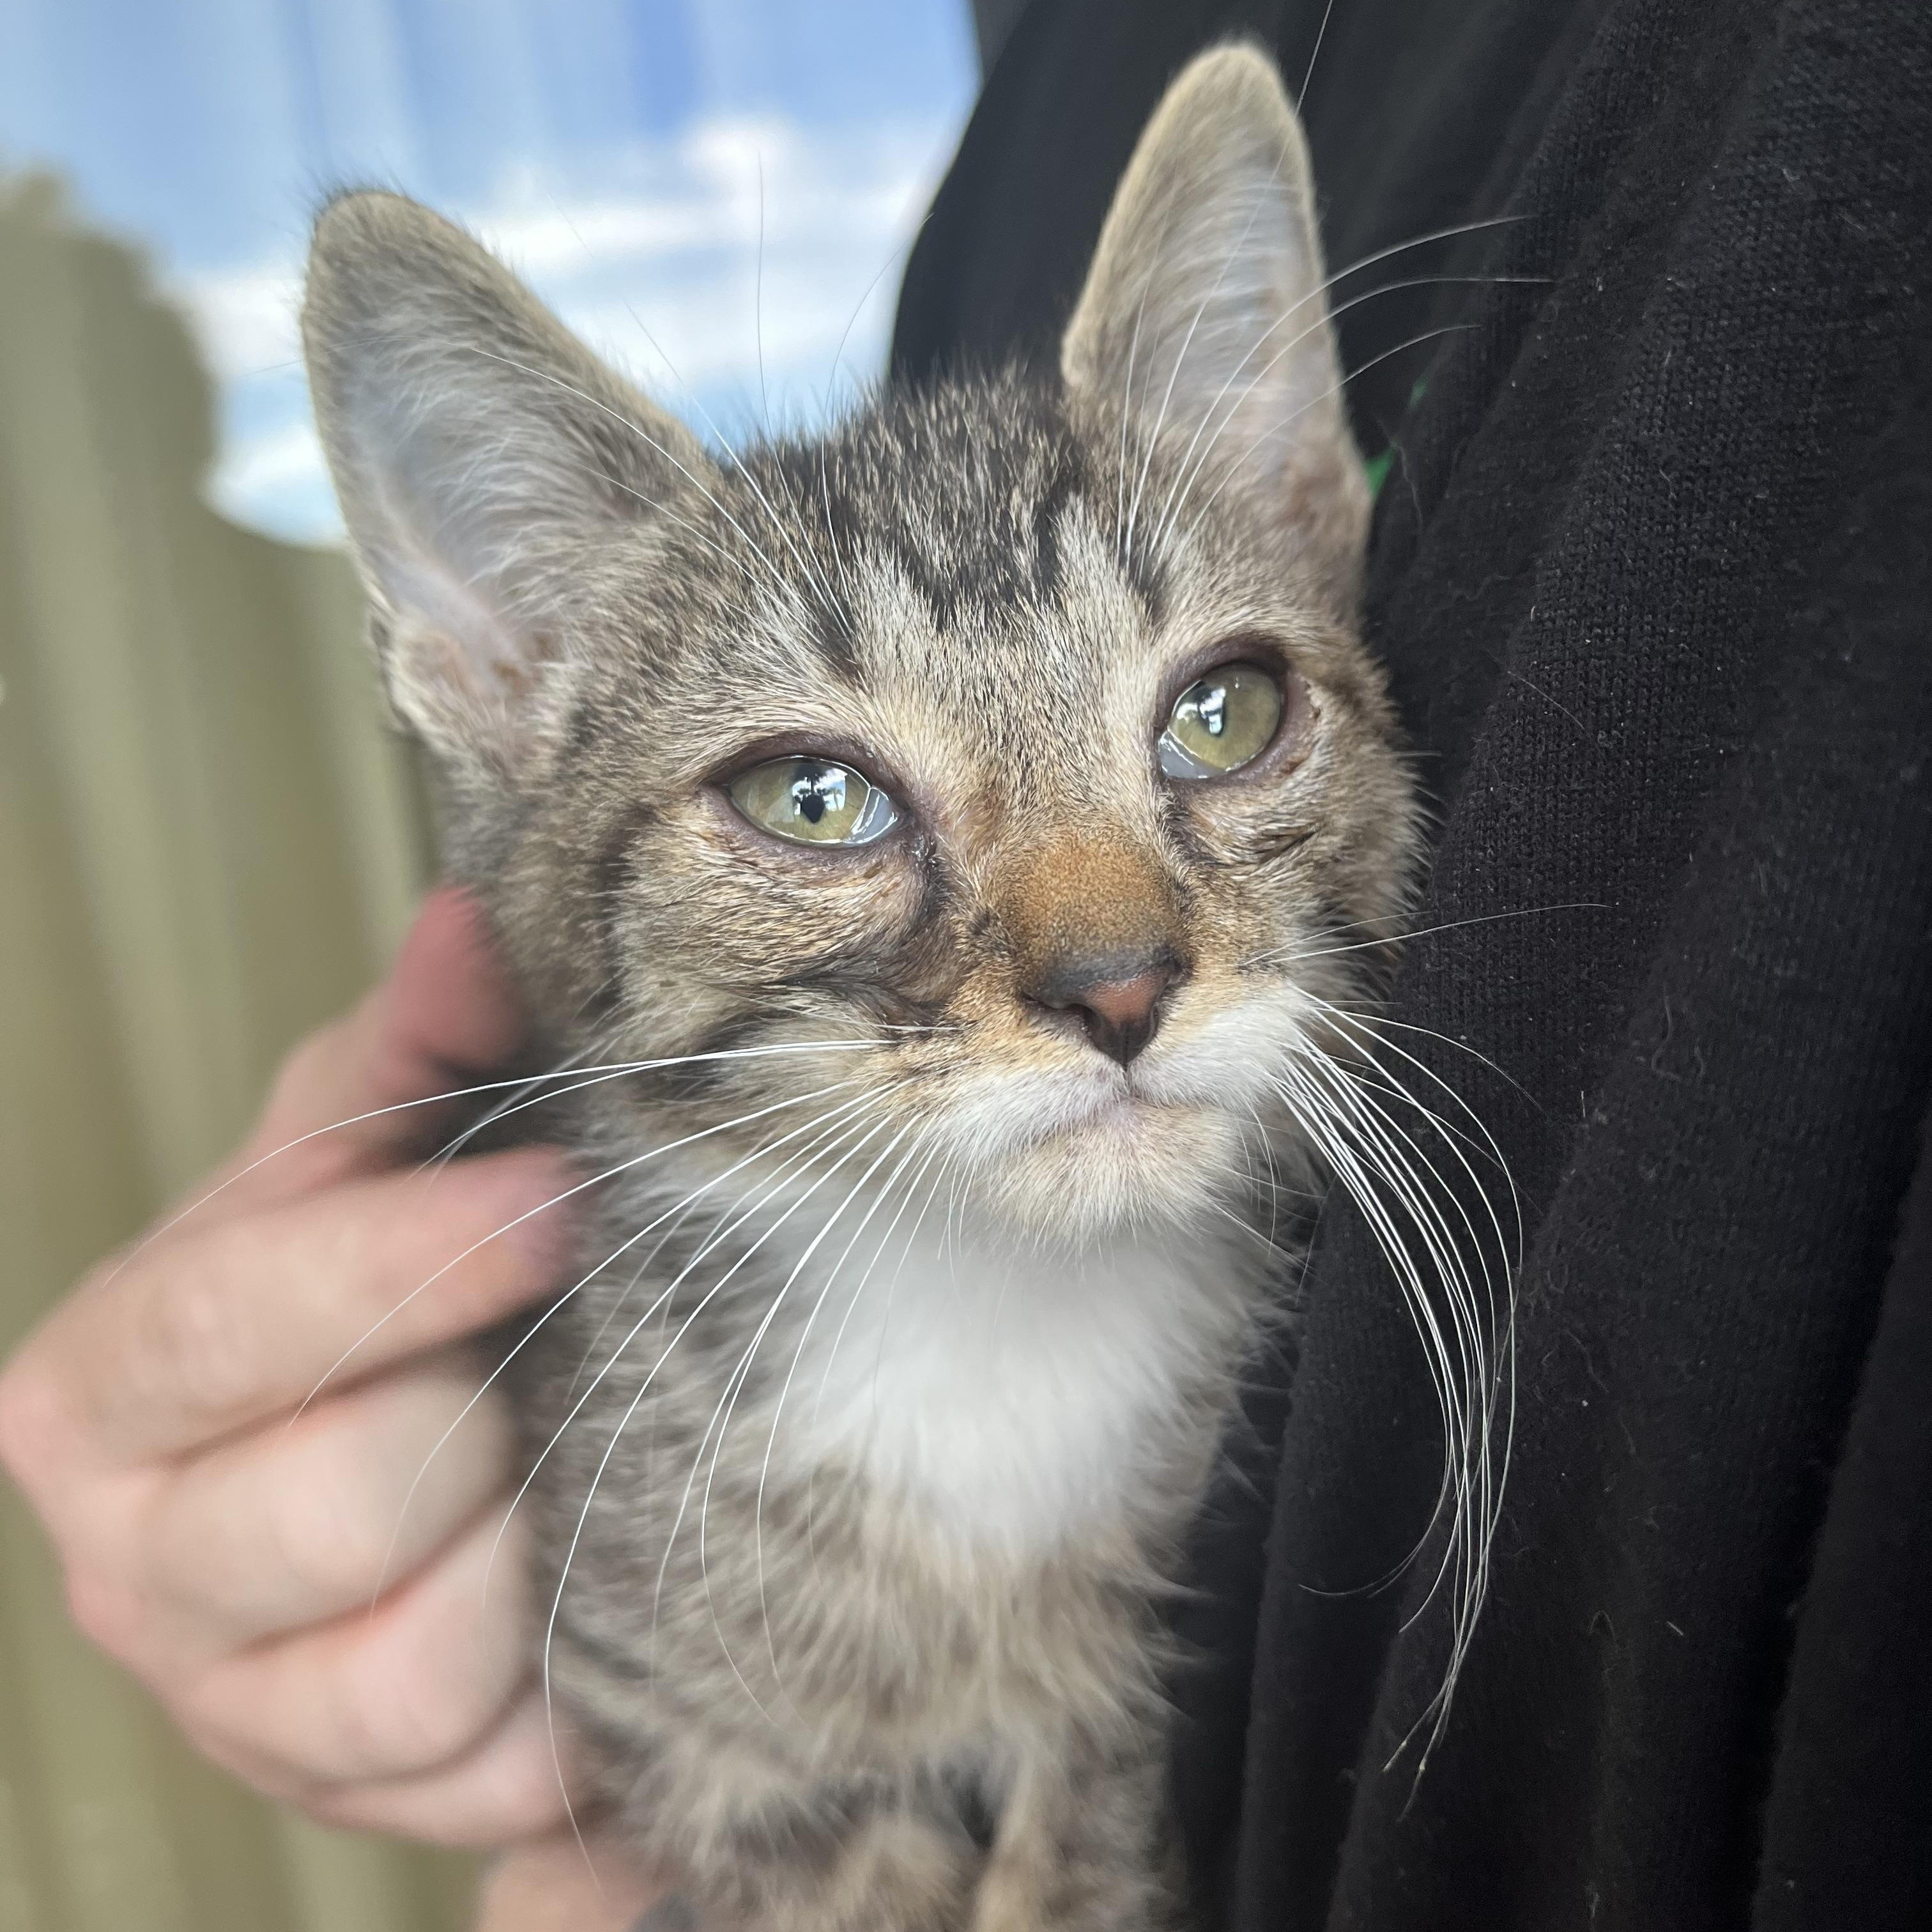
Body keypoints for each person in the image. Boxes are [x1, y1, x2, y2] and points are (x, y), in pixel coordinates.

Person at [6, 0, 1930, 1927]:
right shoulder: (1034, 117)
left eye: (1219, 714)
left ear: (1299, 504)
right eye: (820, 794)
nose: (1114, 956)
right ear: (514, 678)